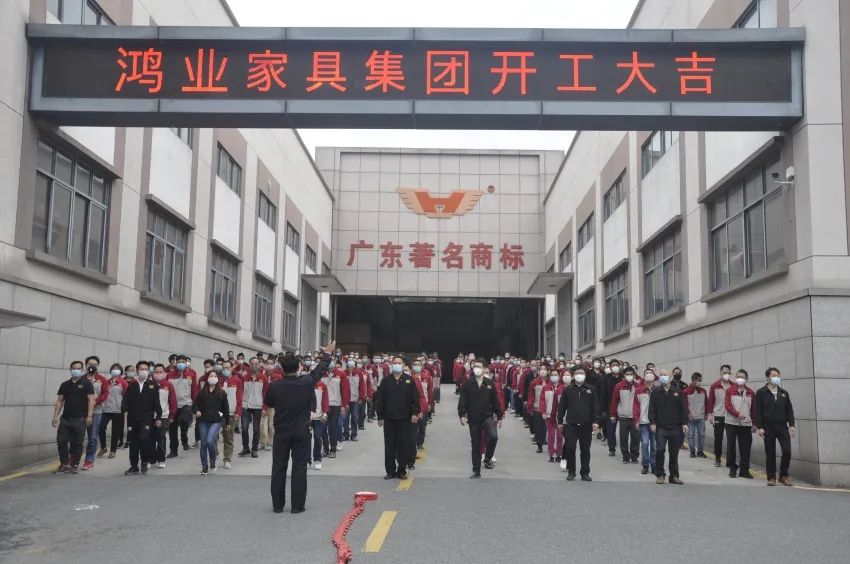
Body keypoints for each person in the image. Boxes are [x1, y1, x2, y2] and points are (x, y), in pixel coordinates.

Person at [265, 342, 335, 514]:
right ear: (298, 368)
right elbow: (319, 371)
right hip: (301, 430)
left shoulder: (274, 386)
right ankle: (297, 505)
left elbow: (269, 403)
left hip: (281, 430)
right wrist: (327, 355)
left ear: (281, 369)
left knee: (279, 467)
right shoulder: (305, 382)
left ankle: (278, 505)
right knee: (299, 467)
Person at [375, 356, 421, 481]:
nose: (397, 364)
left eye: (399, 363)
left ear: (403, 364)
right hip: (389, 419)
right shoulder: (386, 381)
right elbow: (380, 400)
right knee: (389, 446)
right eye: (394, 363)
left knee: (403, 446)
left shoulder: (409, 380)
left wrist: (415, 413)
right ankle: (390, 471)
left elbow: (415, 399)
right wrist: (380, 416)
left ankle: (401, 470)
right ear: (391, 365)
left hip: (405, 419)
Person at [458, 360, 503, 478]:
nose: (476, 368)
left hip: (488, 417)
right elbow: (463, 400)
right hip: (474, 419)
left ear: (484, 369)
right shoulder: (467, 384)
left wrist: (499, 416)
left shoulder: (489, 383)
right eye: (475, 366)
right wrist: (462, 415)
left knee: (493, 436)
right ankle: (476, 470)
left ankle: (488, 457)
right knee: (476, 444)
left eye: (479, 366)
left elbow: (495, 401)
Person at [556, 368, 601, 482]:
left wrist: (596, 421)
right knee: (570, 447)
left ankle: (585, 472)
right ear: (573, 375)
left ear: (585, 375)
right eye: (577, 373)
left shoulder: (591, 389)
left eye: (581, 373)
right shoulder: (568, 389)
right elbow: (562, 407)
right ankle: (571, 471)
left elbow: (595, 406)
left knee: (585, 449)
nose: (579, 375)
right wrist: (560, 421)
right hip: (571, 424)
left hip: (586, 424)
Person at [755, 368, 796, 486]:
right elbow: (758, 411)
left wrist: (791, 425)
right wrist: (760, 427)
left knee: (787, 451)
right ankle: (771, 477)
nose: (776, 377)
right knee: (770, 453)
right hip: (768, 427)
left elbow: (789, 410)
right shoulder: (761, 392)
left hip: (782, 426)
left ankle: (783, 475)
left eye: (778, 375)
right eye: (773, 375)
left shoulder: (784, 393)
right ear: (767, 377)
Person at [52, 361, 95, 474]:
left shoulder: (87, 384)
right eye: (74, 368)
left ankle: (74, 464)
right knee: (61, 441)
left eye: (78, 368)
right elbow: (60, 401)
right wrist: (55, 416)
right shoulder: (65, 384)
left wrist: (89, 416)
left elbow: (91, 400)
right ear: (70, 370)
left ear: (82, 370)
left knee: (77, 443)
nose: (76, 370)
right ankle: (64, 463)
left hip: (80, 419)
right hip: (65, 419)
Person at [122, 362, 162, 475]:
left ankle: (144, 461)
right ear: (137, 370)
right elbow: (126, 401)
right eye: (141, 369)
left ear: (148, 371)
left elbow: (157, 402)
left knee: (144, 440)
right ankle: (134, 466)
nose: (144, 371)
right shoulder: (132, 385)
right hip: (133, 418)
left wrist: (158, 417)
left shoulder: (153, 385)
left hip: (147, 418)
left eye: (146, 369)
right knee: (133, 443)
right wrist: (124, 411)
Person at [648, 370, 688, 485]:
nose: (663, 377)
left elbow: (683, 408)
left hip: (675, 427)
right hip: (661, 427)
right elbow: (652, 409)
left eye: (665, 375)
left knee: (674, 452)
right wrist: (652, 422)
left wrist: (685, 423)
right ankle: (660, 474)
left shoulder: (677, 391)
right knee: (660, 450)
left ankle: (674, 476)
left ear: (670, 377)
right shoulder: (656, 392)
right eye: (661, 375)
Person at [194, 371, 230, 475]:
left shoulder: (222, 393)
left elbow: (226, 408)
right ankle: (204, 466)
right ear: (207, 378)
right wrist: (196, 411)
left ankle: (213, 461)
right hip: (203, 421)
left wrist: (227, 422)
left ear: (218, 379)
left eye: (215, 376)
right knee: (203, 443)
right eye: (211, 376)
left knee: (210, 441)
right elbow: (195, 405)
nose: (213, 378)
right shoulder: (201, 393)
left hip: (216, 421)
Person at [723, 369, 756, 479]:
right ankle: (732, 468)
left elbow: (753, 410)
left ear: (746, 379)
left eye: (742, 377)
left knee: (745, 447)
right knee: (731, 447)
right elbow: (727, 405)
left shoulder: (751, 393)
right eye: (738, 377)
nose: (740, 379)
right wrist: (737, 414)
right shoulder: (730, 390)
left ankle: (744, 470)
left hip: (746, 424)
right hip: (731, 423)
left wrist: (754, 424)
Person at [81, 356, 109, 471]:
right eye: (90, 364)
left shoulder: (102, 380)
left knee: (92, 437)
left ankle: (89, 460)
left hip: (96, 412)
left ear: (98, 366)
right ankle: (74, 458)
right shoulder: (81, 379)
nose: (92, 366)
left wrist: (94, 402)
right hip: (81, 411)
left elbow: (105, 393)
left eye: (95, 364)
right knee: (77, 437)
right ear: (86, 365)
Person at [167, 355, 197, 456]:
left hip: (186, 403)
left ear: (186, 363)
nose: (181, 364)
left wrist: (195, 404)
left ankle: (184, 440)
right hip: (173, 405)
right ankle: (173, 450)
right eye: (179, 362)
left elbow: (194, 390)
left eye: (183, 362)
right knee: (172, 428)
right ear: (175, 363)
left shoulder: (191, 374)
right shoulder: (170, 375)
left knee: (184, 420)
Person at [609, 366, 639, 464]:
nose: (629, 376)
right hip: (623, 416)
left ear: (634, 375)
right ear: (624, 375)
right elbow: (614, 400)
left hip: (635, 417)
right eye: (627, 374)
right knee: (623, 438)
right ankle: (625, 456)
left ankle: (634, 456)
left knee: (635, 438)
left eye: (631, 374)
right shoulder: (619, 386)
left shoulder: (638, 386)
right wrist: (613, 414)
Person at [217, 360, 243, 470]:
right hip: (217, 413)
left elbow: (239, 397)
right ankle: (215, 453)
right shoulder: (218, 381)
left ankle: (227, 459)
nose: (225, 370)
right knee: (212, 436)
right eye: (223, 368)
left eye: (227, 368)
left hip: (231, 414)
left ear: (232, 368)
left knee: (228, 437)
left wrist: (238, 412)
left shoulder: (237, 381)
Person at [241, 357, 268, 458]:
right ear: (249, 364)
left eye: (256, 364)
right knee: (244, 428)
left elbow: (266, 394)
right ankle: (245, 448)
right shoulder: (244, 377)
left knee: (256, 429)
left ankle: (254, 450)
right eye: (252, 364)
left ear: (259, 365)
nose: (254, 365)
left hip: (257, 406)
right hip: (245, 405)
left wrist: (265, 408)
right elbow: (240, 391)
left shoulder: (263, 378)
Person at [99, 363, 127, 459]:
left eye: (117, 368)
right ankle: (103, 447)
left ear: (121, 371)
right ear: (111, 371)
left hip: (118, 410)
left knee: (115, 431)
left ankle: (113, 451)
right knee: (101, 428)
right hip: (106, 409)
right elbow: (102, 394)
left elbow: (126, 397)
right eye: (113, 368)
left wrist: (125, 409)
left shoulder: (123, 383)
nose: (115, 370)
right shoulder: (106, 382)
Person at [706, 365, 733, 467]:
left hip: (730, 416)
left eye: (728, 372)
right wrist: (710, 414)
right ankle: (717, 458)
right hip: (718, 415)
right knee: (718, 438)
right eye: (724, 372)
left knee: (731, 439)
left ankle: (730, 461)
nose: (726, 374)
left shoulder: (733, 386)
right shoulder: (715, 386)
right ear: (720, 373)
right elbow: (711, 401)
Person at [152, 364, 177, 469]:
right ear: (153, 373)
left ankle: (161, 459)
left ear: (164, 373)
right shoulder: (149, 385)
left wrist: (171, 416)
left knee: (161, 437)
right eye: (156, 372)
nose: (158, 374)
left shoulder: (168, 385)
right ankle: (151, 459)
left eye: (160, 372)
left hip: (163, 416)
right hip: (150, 416)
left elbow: (173, 401)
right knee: (150, 438)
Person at [324, 360, 350, 458]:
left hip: (335, 405)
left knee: (332, 427)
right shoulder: (321, 373)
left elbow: (345, 391)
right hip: (323, 405)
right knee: (322, 428)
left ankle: (333, 449)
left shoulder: (341, 374)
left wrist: (344, 405)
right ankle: (325, 449)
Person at [633, 371, 656, 475]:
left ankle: (654, 465)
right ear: (645, 379)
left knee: (654, 446)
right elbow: (636, 407)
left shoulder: (657, 391)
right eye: (648, 381)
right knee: (645, 444)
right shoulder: (639, 391)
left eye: (651, 381)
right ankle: (645, 465)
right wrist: (637, 419)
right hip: (643, 422)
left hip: (655, 423)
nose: (650, 383)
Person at [259, 356, 282, 450]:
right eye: (267, 363)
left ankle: (270, 442)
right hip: (263, 403)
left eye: (271, 364)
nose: (269, 365)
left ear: (275, 365)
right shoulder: (261, 376)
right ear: (264, 365)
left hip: (274, 404)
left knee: (271, 425)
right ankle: (262, 442)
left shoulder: (278, 377)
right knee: (262, 424)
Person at [684, 373, 708, 458]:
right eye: (698, 380)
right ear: (693, 380)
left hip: (701, 417)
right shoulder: (686, 391)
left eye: (700, 380)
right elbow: (684, 405)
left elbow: (706, 403)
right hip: (691, 417)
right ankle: (692, 451)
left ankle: (700, 451)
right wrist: (688, 414)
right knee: (691, 435)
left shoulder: (703, 391)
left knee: (701, 435)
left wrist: (706, 413)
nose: (699, 382)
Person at [309, 373, 330, 470]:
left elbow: (325, 400)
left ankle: (317, 459)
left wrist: (325, 413)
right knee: (306, 440)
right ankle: (307, 460)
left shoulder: (322, 385)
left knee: (317, 437)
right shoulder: (305, 386)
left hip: (319, 417)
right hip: (307, 418)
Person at [541, 369, 561, 463]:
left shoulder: (563, 388)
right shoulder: (546, 387)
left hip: (560, 416)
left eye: (555, 374)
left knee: (560, 436)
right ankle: (551, 454)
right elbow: (542, 401)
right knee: (551, 435)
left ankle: (559, 454)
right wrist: (543, 412)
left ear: (559, 376)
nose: (554, 376)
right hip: (549, 415)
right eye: (552, 375)